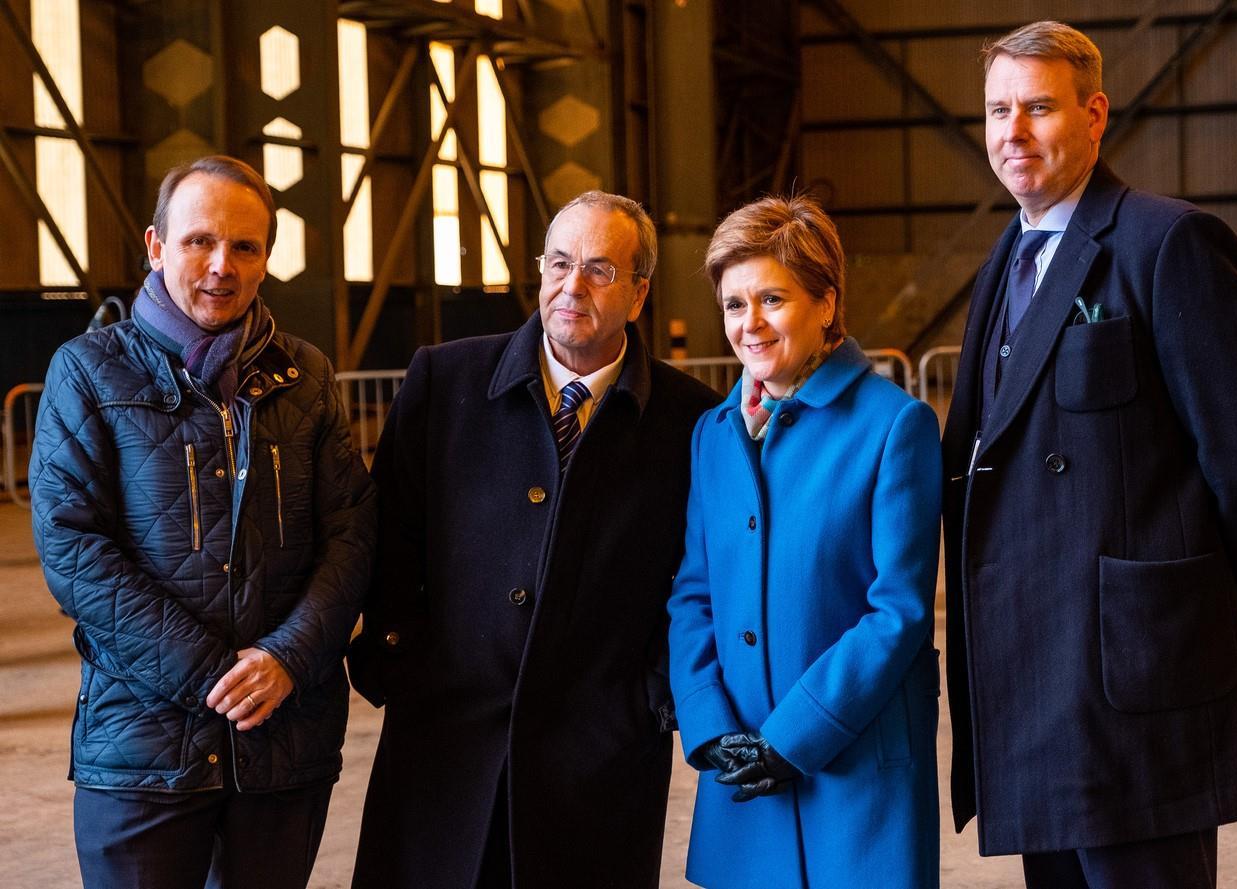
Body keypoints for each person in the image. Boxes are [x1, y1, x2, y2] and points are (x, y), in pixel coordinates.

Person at [942, 20, 1237, 889]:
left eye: (1037, 106)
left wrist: (1220, 625)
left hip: (1135, 684)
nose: (1012, 131)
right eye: (997, 110)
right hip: (1035, 683)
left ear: (1094, 113)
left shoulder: (1166, 241)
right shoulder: (1007, 259)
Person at [347, 190, 720, 889]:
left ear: (639, 294)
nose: (571, 286)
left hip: (597, 756)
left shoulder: (689, 421)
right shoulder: (442, 379)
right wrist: (400, 657)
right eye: (558, 262)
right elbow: (386, 535)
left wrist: (649, 699)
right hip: (443, 738)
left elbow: (696, 577)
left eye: (600, 270)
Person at [29, 155, 376, 889]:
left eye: (244, 247)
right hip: (142, 749)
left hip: (281, 740)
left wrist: (286, 657)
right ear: (157, 247)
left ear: (265, 259)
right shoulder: (88, 371)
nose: (221, 265)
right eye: (199, 242)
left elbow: (350, 532)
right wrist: (216, 675)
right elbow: (72, 547)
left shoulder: (304, 376)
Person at [668, 195, 943, 889]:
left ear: (825, 303)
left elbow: (898, 610)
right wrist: (706, 724)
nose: (748, 324)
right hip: (740, 771)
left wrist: (795, 735)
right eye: (734, 304)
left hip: (853, 771)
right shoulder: (713, 434)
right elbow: (693, 591)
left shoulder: (893, 426)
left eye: (771, 298)